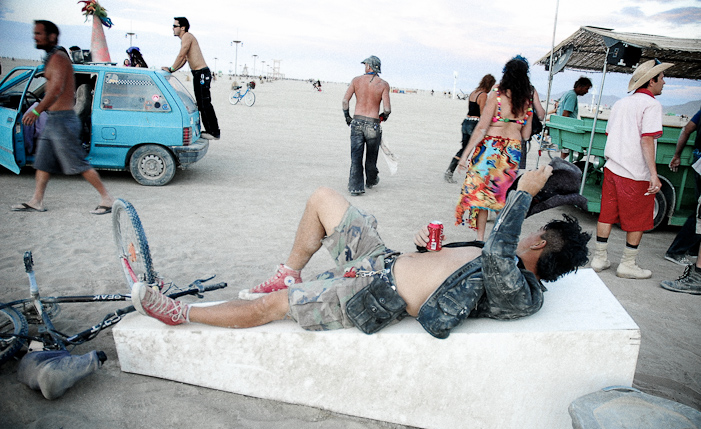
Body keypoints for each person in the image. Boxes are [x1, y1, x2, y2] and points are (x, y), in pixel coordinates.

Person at [131, 166, 591, 339]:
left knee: (269, 308)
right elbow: (467, 262)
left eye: (531, 227)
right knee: (323, 197)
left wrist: (524, 195)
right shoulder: (499, 253)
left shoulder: (525, 292)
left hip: (372, 294)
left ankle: (180, 314)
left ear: (536, 241)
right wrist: (422, 249)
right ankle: (290, 270)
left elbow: (495, 260)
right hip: (381, 258)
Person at [11, 20, 114, 215]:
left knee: (78, 163)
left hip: (63, 121)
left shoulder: (58, 58)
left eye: (39, 33)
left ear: (51, 36)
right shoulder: (52, 58)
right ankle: (36, 201)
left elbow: (56, 89)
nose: (35, 37)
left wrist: (36, 110)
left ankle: (107, 199)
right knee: (43, 161)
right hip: (54, 120)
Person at [590, 59, 673, 279]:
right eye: (662, 78)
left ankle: (599, 258)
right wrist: (654, 175)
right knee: (637, 219)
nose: (664, 82)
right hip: (635, 172)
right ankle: (627, 264)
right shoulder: (652, 105)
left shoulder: (620, 103)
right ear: (651, 80)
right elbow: (647, 140)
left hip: (612, 167)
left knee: (606, 214)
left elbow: (611, 134)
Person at [454, 55, 534, 241]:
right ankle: (496, 239)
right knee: (501, 196)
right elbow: (526, 135)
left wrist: (465, 156)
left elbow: (482, 127)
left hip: (490, 148)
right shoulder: (526, 100)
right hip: (511, 151)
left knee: (481, 195)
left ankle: (480, 239)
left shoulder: (496, 94)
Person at [162, 17, 220, 140]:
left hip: (202, 73)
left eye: (175, 26)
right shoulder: (185, 39)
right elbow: (184, 59)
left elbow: (182, 54)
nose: (172, 28)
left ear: (182, 27)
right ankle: (211, 130)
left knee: (205, 103)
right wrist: (172, 70)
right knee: (200, 103)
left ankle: (214, 132)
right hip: (198, 73)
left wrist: (171, 68)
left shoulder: (187, 36)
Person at [342, 56, 391, 196]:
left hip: (357, 122)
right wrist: (383, 117)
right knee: (371, 156)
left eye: (365, 64)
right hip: (373, 124)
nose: (364, 66)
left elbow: (345, 100)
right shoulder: (383, 84)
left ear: (369, 66)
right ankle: (371, 180)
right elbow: (387, 109)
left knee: (356, 156)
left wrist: (347, 116)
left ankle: (355, 187)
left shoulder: (356, 81)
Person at [663, 106, 701, 266]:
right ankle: (676, 251)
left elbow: (687, 129)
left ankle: (693, 250)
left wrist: (677, 155)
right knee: (699, 212)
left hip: (698, 160)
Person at [444, 74, 496, 183]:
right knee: (481, 148)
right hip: (475, 123)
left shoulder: (473, 93)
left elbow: (470, 109)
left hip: (466, 122)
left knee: (464, 148)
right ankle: (478, 174)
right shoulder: (483, 95)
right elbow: (482, 113)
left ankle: (450, 170)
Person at [557, 77, 593, 158]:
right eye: (586, 88)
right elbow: (565, 114)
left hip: (564, 129)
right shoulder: (572, 96)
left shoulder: (568, 93)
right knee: (566, 153)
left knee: (565, 153)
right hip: (567, 129)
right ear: (580, 86)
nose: (587, 91)